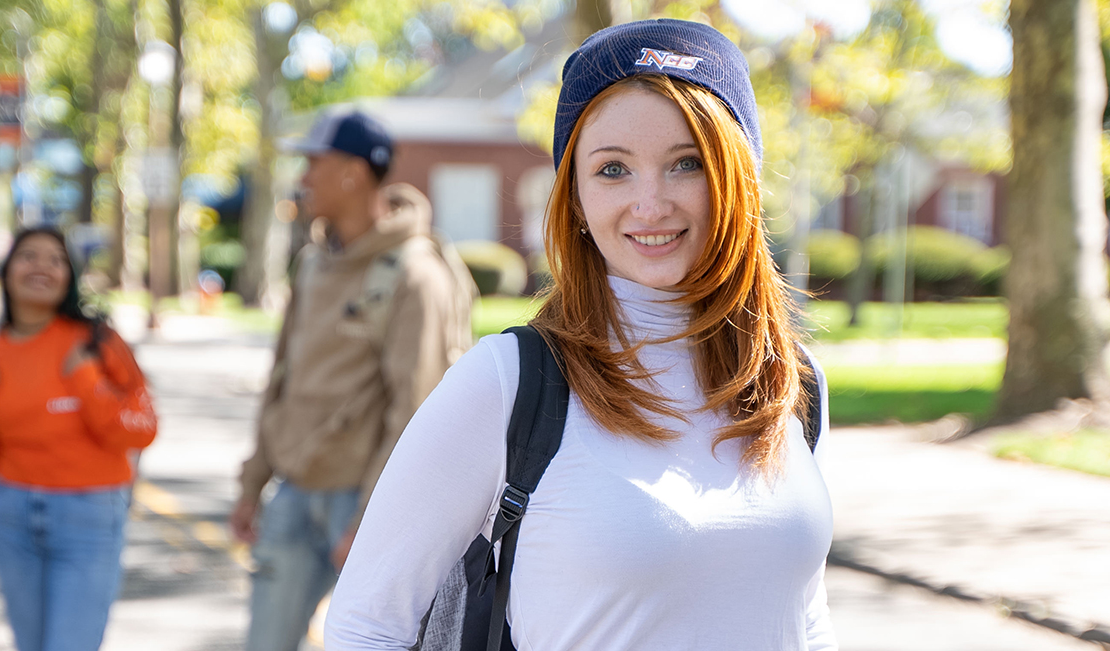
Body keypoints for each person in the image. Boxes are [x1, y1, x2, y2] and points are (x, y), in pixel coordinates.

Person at [324, 19, 836, 650]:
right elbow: (365, 626)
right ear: (575, 197)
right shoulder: (511, 382)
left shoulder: (792, 382)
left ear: (739, 180)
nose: (650, 204)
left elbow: (804, 617)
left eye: (687, 164)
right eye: (613, 169)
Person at [231, 110, 478, 651]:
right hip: (295, 493)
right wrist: (253, 484)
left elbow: (415, 411)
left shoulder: (416, 274)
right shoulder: (314, 263)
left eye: (314, 163)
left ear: (353, 172)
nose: (303, 177)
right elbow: (282, 380)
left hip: (363, 508)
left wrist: (370, 522)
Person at [0, 227, 158, 651]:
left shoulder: (98, 343)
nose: (42, 267)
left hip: (88, 517)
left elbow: (140, 429)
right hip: (13, 515)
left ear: (70, 275)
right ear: (7, 271)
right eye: (29, 256)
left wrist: (86, 381)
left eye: (56, 259)